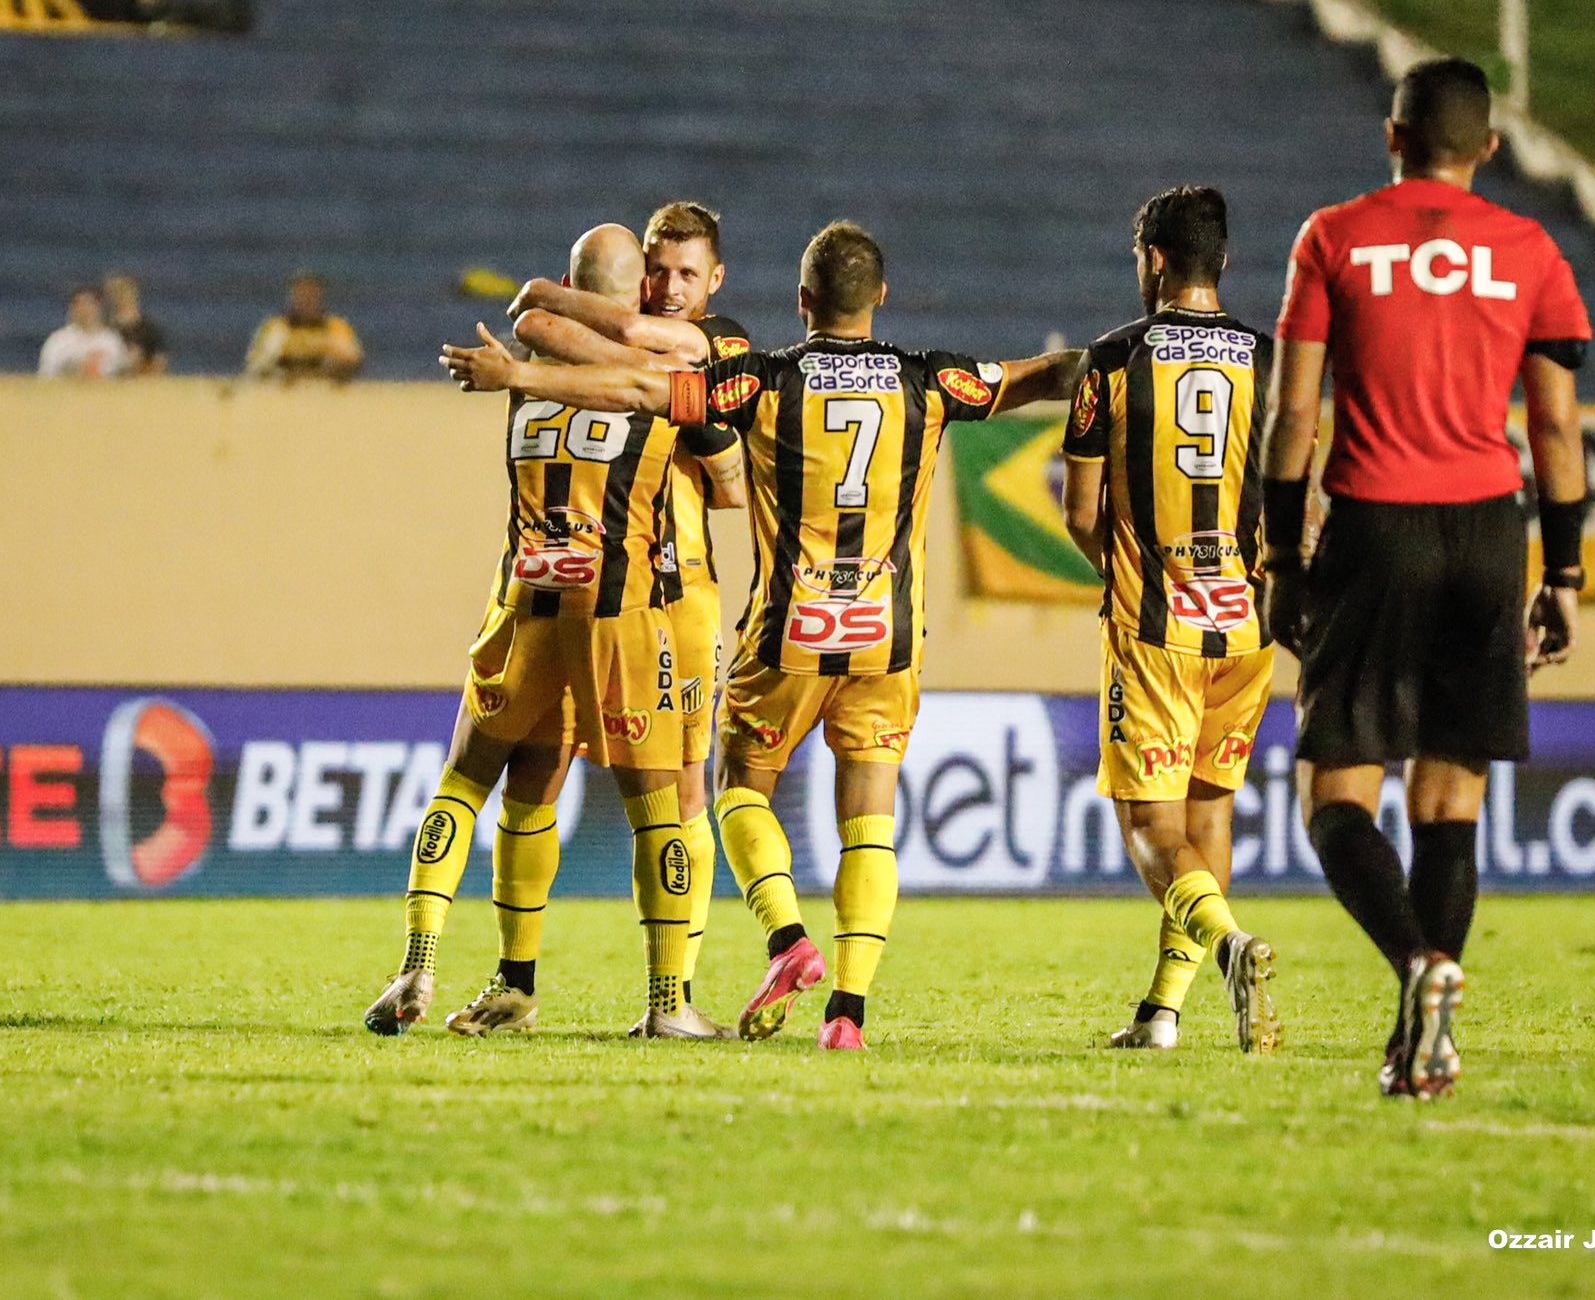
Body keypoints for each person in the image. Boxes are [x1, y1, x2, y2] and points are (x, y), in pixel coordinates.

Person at [443, 221, 1081, 1051]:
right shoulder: (935, 380)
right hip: (888, 636)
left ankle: (786, 935)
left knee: (738, 785)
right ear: (880, 298)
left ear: (803, 301)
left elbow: (641, 391)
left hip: (792, 627)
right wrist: (1111, 367)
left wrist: (518, 374)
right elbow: (1040, 377)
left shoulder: (762, 380)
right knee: (870, 821)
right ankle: (847, 1012)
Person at [1262, 58, 1592, 1100]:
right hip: (1489, 530)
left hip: (1374, 525)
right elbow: (1552, 424)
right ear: (1487, 150)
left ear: (1392, 136)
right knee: (1450, 800)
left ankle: (1417, 966)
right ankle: (1420, 1047)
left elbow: (1294, 415)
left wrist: (1279, 554)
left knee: (1335, 795)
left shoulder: (1332, 236)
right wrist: (1567, 568)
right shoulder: (1529, 248)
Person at [363, 225, 742, 1040]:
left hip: (527, 598)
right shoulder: (658, 372)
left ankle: (423, 962)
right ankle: (670, 1002)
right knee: (660, 809)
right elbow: (727, 478)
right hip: (623, 611)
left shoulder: (519, 377)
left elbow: (533, 316)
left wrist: (525, 335)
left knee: (472, 784)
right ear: (635, 289)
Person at [498, 201, 751, 1039]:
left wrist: (549, 301)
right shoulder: (631, 339)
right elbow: (556, 334)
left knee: (685, 788)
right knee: (543, 773)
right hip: (609, 593)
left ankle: (676, 988)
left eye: (688, 275)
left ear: (716, 282)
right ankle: (523, 979)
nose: (670, 289)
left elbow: (729, 484)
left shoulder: (727, 348)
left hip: (684, 598)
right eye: (659, 271)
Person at [1061, 187, 1280, 1055]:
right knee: (1210, 819)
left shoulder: (1110, 362)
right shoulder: (1268, 359)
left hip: (1155, 629)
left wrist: (1125, 575)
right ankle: (1163, 1013)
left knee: (1154, 829)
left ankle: (1229, 948)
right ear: (1220, 263)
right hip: (1246, 628)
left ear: (1152, 260)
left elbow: (1082, 512)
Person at [246, 272, 363, 381]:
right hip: (283, 389)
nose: (307, 300)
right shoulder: (276, 327)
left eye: (312, 294)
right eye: (302, 294)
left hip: (325, 388)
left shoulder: (335, 326)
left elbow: (353, 357)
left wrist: (324, 350)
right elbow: (256, 361)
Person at [38, 287, 127, 378]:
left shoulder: (111, 340)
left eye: (89, 304)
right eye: (79, 305)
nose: (84, 310)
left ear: (99, 308)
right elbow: (46, 375)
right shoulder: (58, 340)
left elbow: (121, 373)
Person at [104, 273, 168, 375]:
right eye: (117, 293)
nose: (121, 297)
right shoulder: (105, 327)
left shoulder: (148, 328)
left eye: (125, 292)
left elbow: (160, 362)